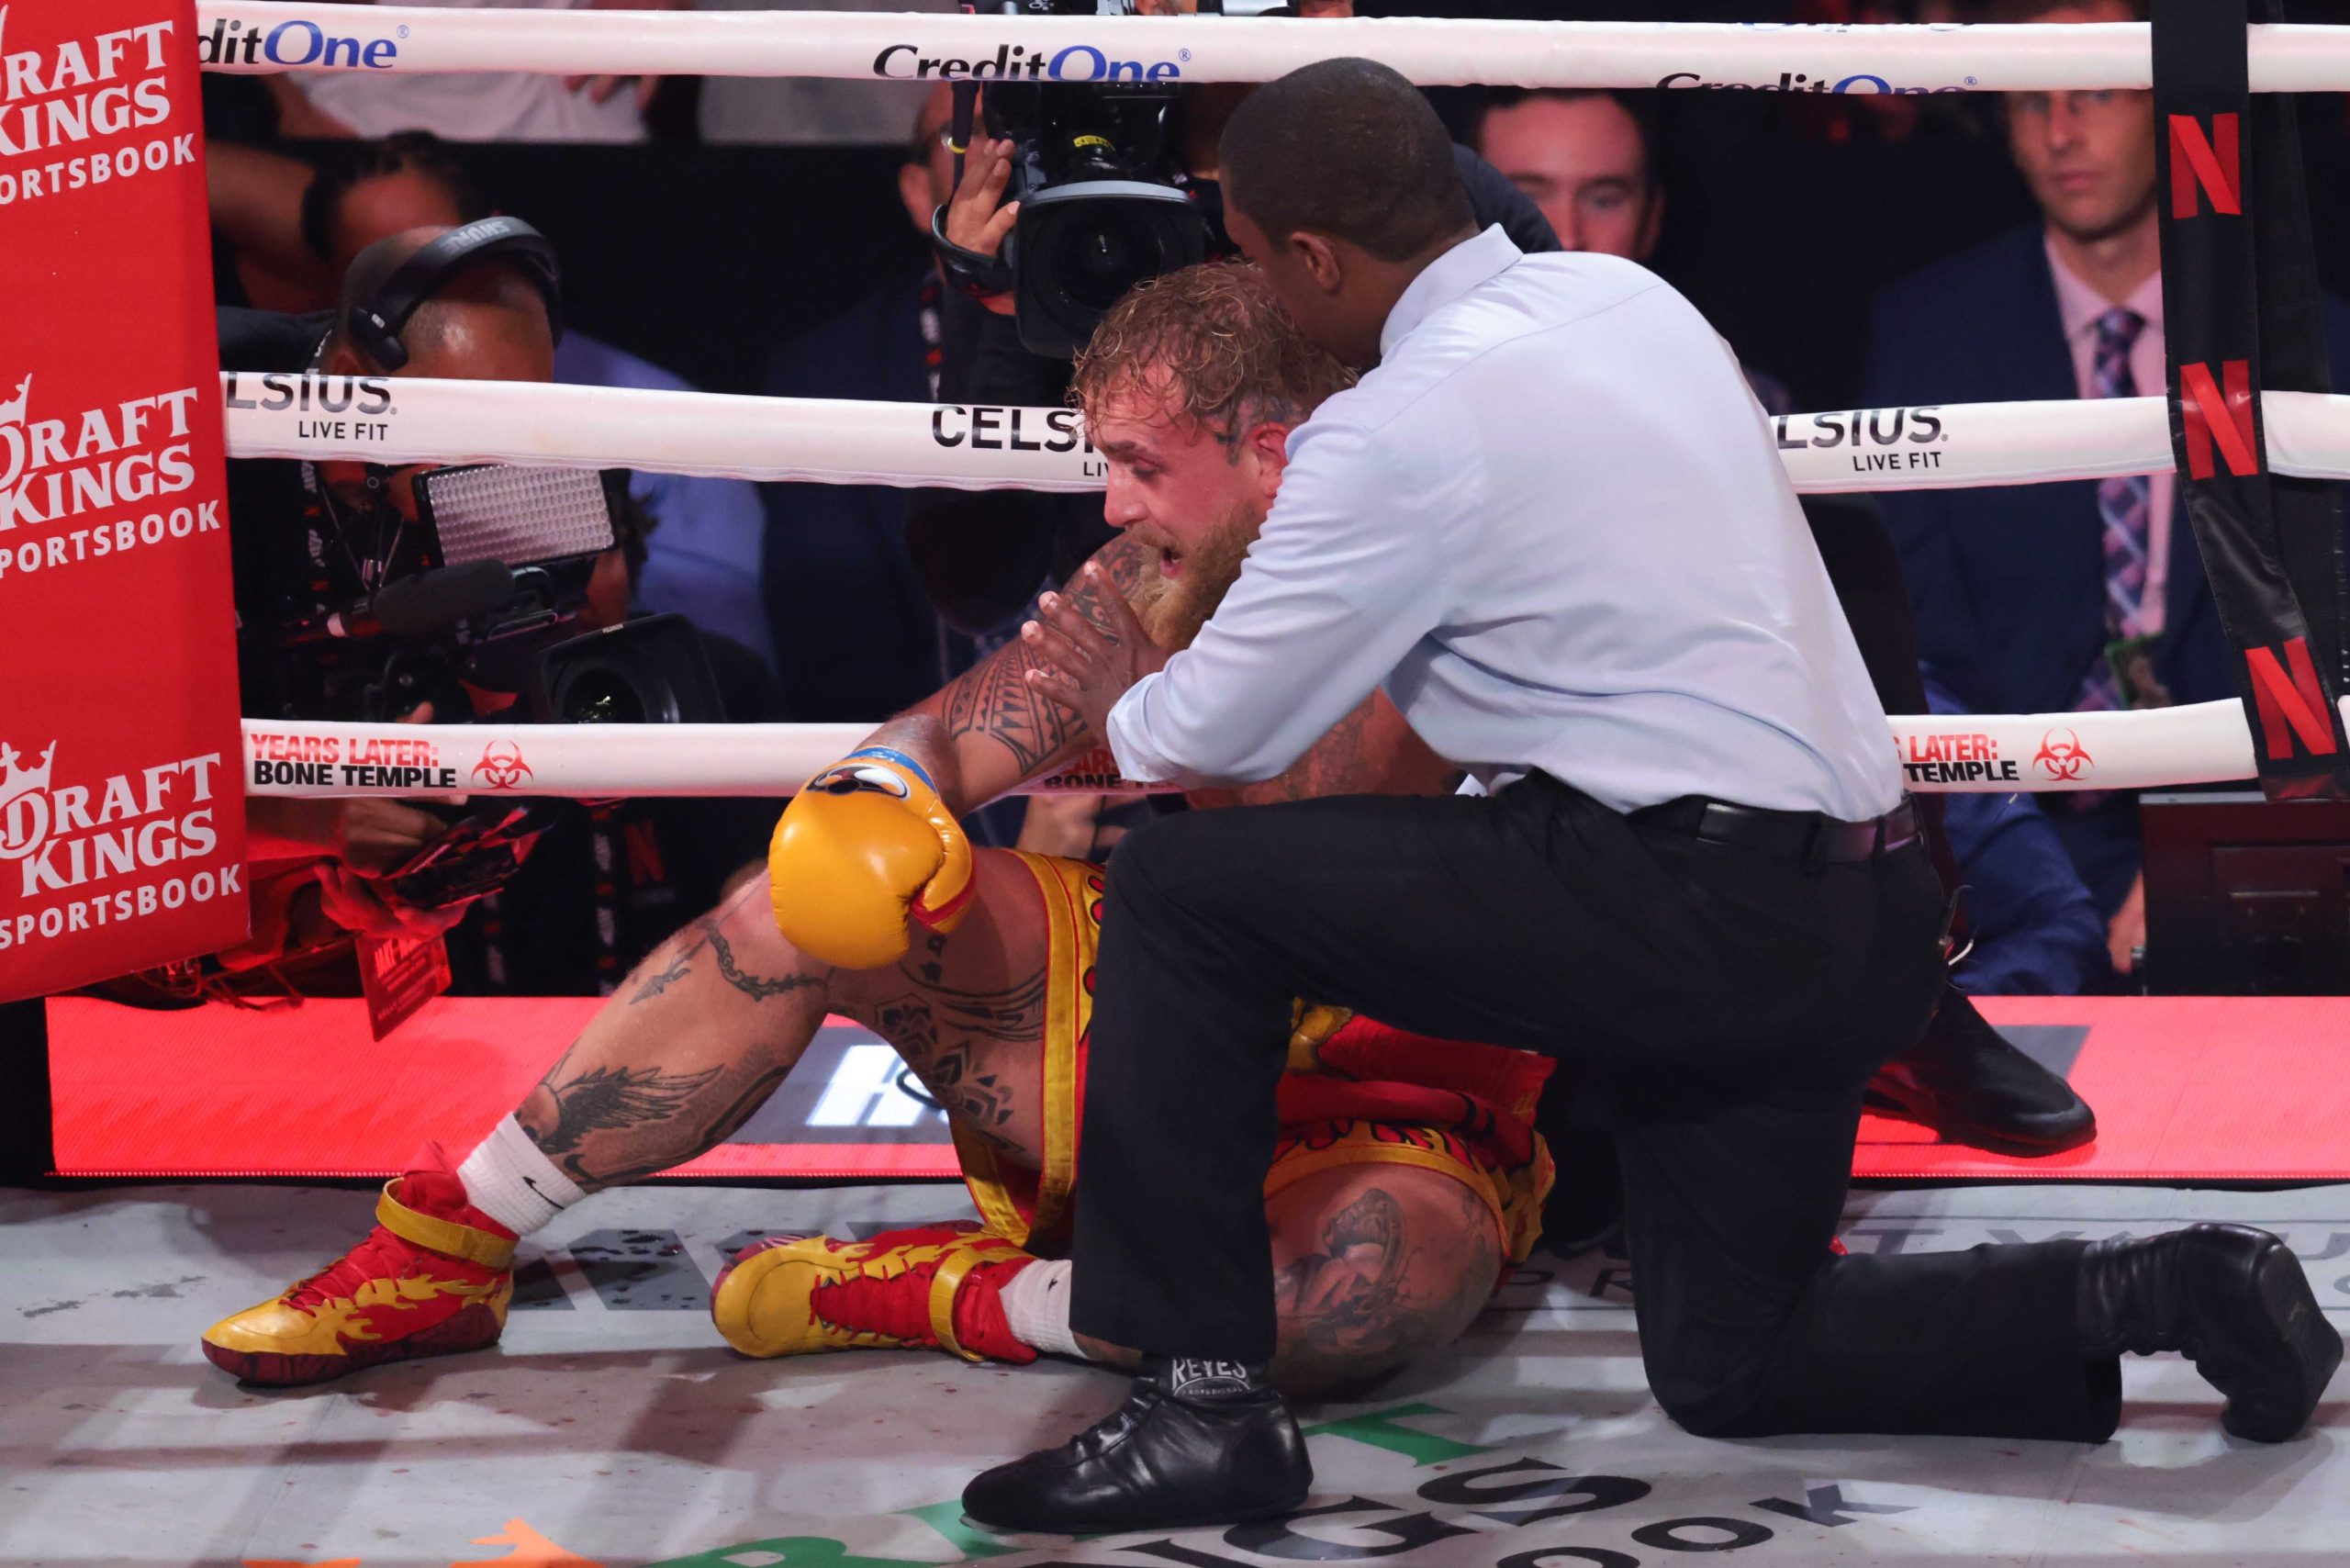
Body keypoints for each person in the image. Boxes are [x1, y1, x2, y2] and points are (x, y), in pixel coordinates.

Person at [982, 59, 2341, 1533]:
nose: (1256, 292)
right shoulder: (1630, 304)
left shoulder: (1397, 426)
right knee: (1736, 1359)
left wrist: (1096, 682)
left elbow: (1210, 734)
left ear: (1311, 258)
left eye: (1253, 257)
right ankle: (2171, 1286)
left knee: (1182, 895)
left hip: (1688, 900)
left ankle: (1202, 1405)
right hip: (1861, 910)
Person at [197, 264, 1552, 1396]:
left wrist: (1165, 717)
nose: (1114, 505)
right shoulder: (1150, 577)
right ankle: (445, 1246)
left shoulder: (1469, 584)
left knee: (1368, 1295)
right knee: (792, 905)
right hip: (1169, 1012)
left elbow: (1348, 836)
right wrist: (880, 791)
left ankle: (949, 1295)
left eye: (1143, 467)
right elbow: (958, 727)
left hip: (1398, 1089)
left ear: (1273, 455)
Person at [1472, 90, 2100, 1159]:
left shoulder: (1739, 409)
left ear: (1651, 217)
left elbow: (2043, 908)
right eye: (1527, 200)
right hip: (1503, 842)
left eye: (1601, 197)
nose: (1563, 237)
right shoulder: (1381, 420)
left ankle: (1901, 1002)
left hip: (1725, 806)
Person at [1863, 0, 2350, 973]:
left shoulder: (2312, 342)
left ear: (2169, 108)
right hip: (2000, 836)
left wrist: (2218, 841)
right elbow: (1913, 639)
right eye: (2029, 98)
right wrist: (2023, 869)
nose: (2060, 132)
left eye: (2094, 91)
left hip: (2255, 822)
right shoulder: (1927, 331)